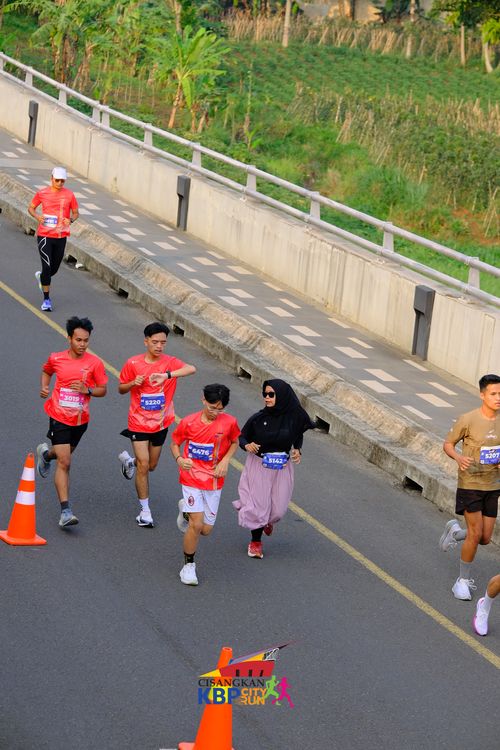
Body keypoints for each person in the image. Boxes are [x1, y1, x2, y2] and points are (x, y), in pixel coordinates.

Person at [117, 322, 196, 528]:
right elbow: (121, 388)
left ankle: (130, 462)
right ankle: (145, 512)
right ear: (146, 342)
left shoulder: (170, 362)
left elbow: (191, 369)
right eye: (155, 342)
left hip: (161, 423)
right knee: (144, 464)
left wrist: (167, 375)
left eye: (163, 342)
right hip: (138, 422)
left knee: (151, 465)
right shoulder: (133, 363)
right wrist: (133, 383)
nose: (159, 346)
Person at [36, 316, 108, 527]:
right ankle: (66, 512)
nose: (82, 344)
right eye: (78, 340)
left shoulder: (95, 363)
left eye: (86, 340)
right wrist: (45, 387)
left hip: (80, 420)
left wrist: (88, 390)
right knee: (65, 462)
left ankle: (46, 455)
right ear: (69, 338)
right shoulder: (56, 358)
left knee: (61, 455)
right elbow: (47, 370)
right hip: (59, 416)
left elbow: (103, 390)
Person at [233, 379, 315, 559]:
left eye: (271, 394)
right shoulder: (258, 418)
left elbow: (298, 433)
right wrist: (247, 445)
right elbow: (242, 437)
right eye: (265, 394)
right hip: (260, 465)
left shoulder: (294, 417)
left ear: (283, 396)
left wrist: (297, 449)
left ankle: (267, 521)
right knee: (259, 506)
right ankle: (255, 542)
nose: (267, 397)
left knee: (278, 509)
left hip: (282, 467)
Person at [170, 384, 240, 585]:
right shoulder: (189, 422)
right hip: (191, 476)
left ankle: (186, 510)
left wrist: (225, 461)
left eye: (220, 409)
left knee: (206, 529)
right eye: (212, 407)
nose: (215, 412)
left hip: (214, 479)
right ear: (203, 400)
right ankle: (188, 566)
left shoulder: (230, 423)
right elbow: (175, 443)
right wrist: (179, 459)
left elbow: (235, 442)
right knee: (197, 524)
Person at [438, 374, 500, 600]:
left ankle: (455, 533)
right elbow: (448, 444)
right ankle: (462, 582)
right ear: (482, 395)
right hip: (470, 483)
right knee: (475, 533)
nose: (498, 398)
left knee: (484, 538)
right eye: (493, 393)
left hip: (493, 484)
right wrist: (458, 457)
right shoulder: (468, 419)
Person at [28, 166, 79, 312]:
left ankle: (43, 277)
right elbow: (31, 208)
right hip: (45, 235)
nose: (60, 183)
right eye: (57, 180)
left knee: (54, 269)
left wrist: (71, 220)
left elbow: (76, 213)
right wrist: (37, 217)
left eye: (62, 181)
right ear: (51, 179)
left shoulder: (69, 195)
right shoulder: (42, 193)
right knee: (47, 267)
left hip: (61, 236)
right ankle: (46, 300)